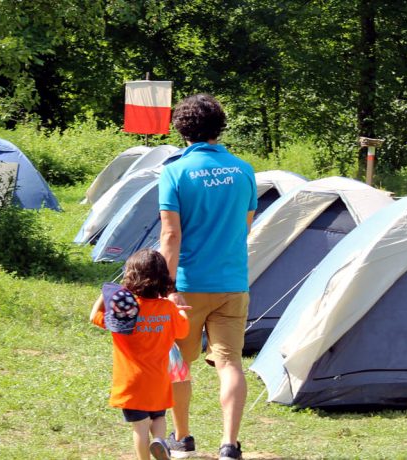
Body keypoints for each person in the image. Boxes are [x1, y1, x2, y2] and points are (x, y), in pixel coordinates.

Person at [158, 94, 257, 460]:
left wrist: (166, 288)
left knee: (179, 363)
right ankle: (229, 445)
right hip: (232, 283)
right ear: (220, 126)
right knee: (230, 363)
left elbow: (170, 236)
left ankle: (182, 438)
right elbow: (243, 228)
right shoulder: (244, 169)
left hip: (187, 285)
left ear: (181, 128)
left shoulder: (174, 172)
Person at [90, 248, 190, 460]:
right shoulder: (167, 308)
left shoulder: (123, 313)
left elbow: (94, 316)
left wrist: (108, 292)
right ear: (164, 278)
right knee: (159, 418)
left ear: (130, 278)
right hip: (159, 380)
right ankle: (160, 440)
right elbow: (183, 330)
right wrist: (180, 310)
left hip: (132, 383)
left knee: (140, 426)